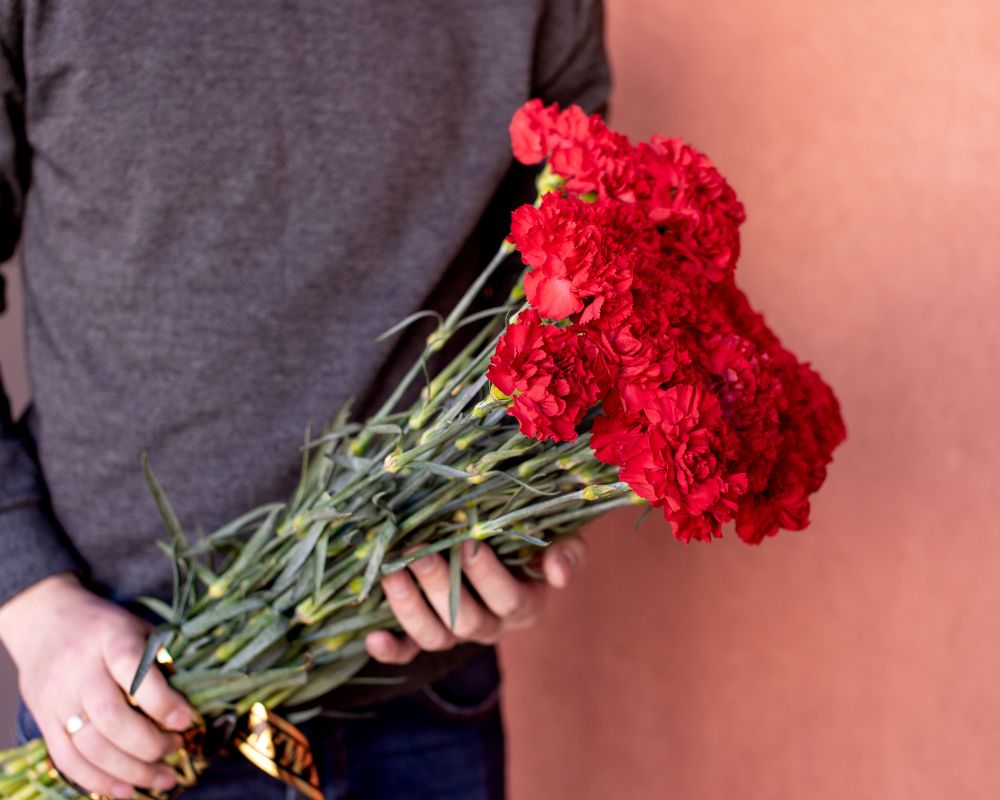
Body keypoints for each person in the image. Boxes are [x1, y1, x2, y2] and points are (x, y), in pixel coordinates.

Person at [0, 2, 609, 798]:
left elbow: (584, 285)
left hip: (420, 693)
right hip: (121, 696)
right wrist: (32, 602)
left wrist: (528, 534)